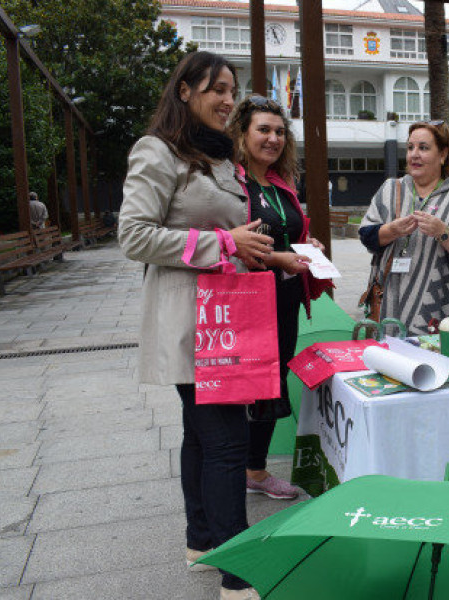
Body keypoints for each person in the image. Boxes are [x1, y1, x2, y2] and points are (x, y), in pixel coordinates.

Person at [118, 51, 272, 600]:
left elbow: (228, 231)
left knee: (203, 438)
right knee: (227, 442)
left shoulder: (222, 158)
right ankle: (238, 572)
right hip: (192, 321)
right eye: (217, 89)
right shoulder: (156, 152)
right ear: (184, 90)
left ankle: (203, 541)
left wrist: (263, 251)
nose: (228, 100)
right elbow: (133, 235)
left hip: (228, 315)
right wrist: (224, 243)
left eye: (232, 90)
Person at [226, 94, 331, 502]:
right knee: (245, 384)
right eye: (263, 130)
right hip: (246, 301)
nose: (273, 138)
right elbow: (235, 242)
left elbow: (289, 234)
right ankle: (233, 467)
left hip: (283, 299)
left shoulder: (280, 183)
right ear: (241, 133)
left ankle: (254, 469)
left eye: (280, 132)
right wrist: (280, 256)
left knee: (271, 383)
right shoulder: (231, 184)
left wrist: (306, 246)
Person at [359, 120, 449, 334]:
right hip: (389, 303)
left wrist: (443, 232)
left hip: (441, 306)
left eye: (423, 148)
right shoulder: (391, 189)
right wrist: (391, 231)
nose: (414, 154)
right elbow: (366, 235)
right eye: (410, 148)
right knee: (392, 364)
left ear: (443, 154)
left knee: (435, 364)